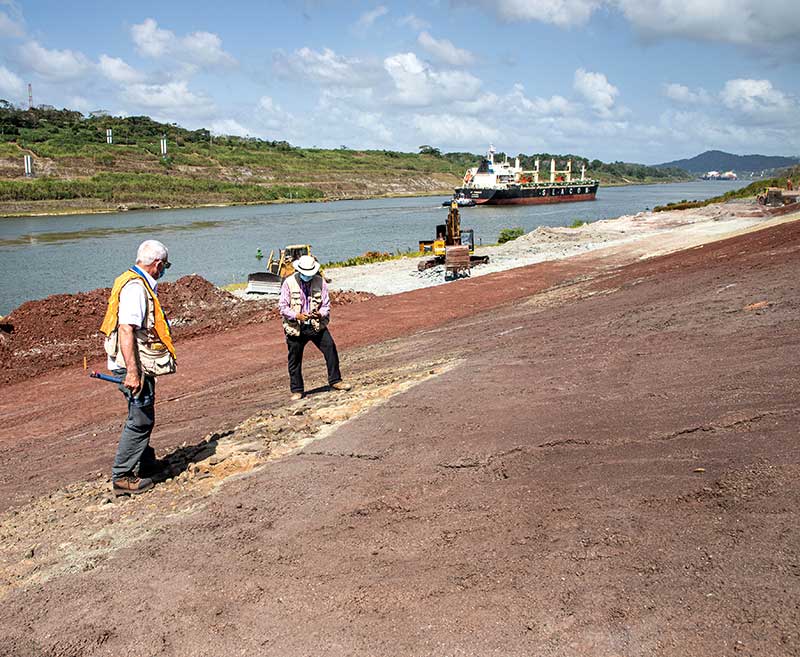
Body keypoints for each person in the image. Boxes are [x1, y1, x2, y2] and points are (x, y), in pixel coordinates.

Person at [99, 240, 177, 496]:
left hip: (134, 363)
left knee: (141, 413)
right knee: (141, 418)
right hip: (131, 366)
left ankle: (145, 463)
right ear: (157, 264)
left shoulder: (131, 280)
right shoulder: (136, 289)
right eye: (165, 266)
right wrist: (133, 372)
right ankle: (122, 476)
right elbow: (126, 329)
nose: (164, 270)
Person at [278, 254, 351, 400]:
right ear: (299, 271)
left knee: (330, 348)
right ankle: (297, 390)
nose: (308, 277)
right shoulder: (288, 283)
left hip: (315, 325)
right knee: (294, 359)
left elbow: (326, 305)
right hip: (296, 327)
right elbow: (282, 307)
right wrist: (296, 315)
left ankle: (335, 381)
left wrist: (319, 314)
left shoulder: (320, 282)